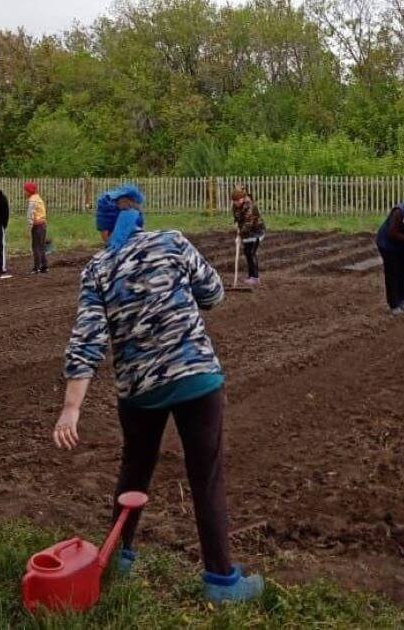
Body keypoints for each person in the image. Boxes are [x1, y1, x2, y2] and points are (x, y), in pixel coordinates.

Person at [53, 184, 263, 603]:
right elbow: (214, 293)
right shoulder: (173, 242)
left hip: (139, 391)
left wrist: (71, 408)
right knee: (205, 477)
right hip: (196, 378)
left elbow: (87, 339)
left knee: (134, 468)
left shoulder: (97, 268)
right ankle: (221, 582)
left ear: (105, 230)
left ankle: (118, 558)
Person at [230, 186, 266, 286]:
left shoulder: (250, 206)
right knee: (247, 252)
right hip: (246, 231)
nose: (236, 203)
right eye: (234, 201)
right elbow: (237, 217)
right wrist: (236, 224)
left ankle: (255, 278)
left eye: (238, 200)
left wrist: (239, 235)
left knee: (251, 252)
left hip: (256, 230)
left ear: (242, 198)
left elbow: (248, 223)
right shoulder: (235, 205)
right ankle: (251, 277)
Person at [24, 182, 48, 274]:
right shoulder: (38, 198)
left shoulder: (32, 201)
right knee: (41, 246)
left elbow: (30, 215)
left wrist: (29, 228)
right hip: (43, 224)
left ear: (29, 191)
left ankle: (36, 267)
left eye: (25, 190)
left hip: (37, 225)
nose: (24, 192)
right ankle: (44, 266)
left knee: (36, 246)